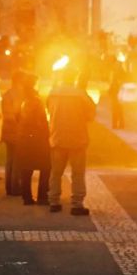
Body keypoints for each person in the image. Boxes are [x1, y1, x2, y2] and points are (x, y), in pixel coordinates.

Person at [47, 66, 96, 215]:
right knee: (78, 173)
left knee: (56, 172)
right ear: (74, 77)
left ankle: (54, 201)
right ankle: (77, 204)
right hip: (77, 138)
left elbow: (49, 110)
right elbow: (91, 115)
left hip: (57, 137)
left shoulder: (53, 93)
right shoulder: (81, 95)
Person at [16, 72, 50, 206]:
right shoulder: (36, 101)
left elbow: (16, 117)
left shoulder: (21, 98)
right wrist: (46, 133)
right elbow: (41, 120)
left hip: (24, 136)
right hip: (37, 138)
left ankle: (27, 197)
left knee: (26, 168)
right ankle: (42, 196)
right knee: (46, 166)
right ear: (34, 85)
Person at [0, 71, 25, 196]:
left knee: (9, 159)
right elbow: (19, 113)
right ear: (20, 81)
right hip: (16, 129)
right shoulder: (19, 94)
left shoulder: (6, 94)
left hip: (7, 130)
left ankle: (8, 187)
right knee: (17, 160)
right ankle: (15, 187)